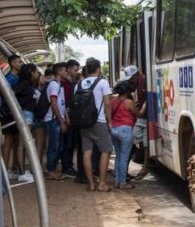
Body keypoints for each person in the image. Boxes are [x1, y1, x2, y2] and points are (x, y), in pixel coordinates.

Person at [76, 58, 113, 192]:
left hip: (83, 123)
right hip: (99, 121)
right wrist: (110, 121)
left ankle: (91, 184)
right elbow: (107, 104)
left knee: (87, 152)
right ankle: (102, 183)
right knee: (106, 150)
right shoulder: (103, 82)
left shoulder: (79, 84)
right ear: (98, 69)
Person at [111, 81, 143, 189]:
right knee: (124, 157)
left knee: (118, 156)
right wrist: (142, 107)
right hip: (125, 130)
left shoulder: (113, 101)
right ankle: (123, 183)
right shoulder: (129, 102)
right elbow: (138, 114)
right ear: (128, 91)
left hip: (114, 130)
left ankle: (117, 181)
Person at [12, 63, 40, 182]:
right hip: (25, 114)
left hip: (28, 115)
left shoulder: (27, 84)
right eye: (36, 72)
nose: (37, 74)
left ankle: (22, 171)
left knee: (23, 144)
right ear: (31, 72)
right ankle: (22, 173)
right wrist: (17, 108)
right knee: (22, 144)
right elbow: (12, 93)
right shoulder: (24, 83)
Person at [123, 65, 149, 180]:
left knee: (147, 143)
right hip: (140, 117)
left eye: (132, 78)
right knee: (133, 140)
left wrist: (142, 109)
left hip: (146, 116)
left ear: (137, 74)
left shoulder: (145, 81)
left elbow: (147, 99)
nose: (131, 80)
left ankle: (145, 168)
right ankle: (124, 169)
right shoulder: (137, 83)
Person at [44, 62, 69, 181]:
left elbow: (61, 104)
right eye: (64, 70)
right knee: (54, 146)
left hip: (57, 119)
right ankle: (51, 170)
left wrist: (65, 118)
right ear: (59, 72)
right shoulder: (54, 85)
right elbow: (54, 104)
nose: (66, 72)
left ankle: (53, 169)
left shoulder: (59, 84)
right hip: (53, 120)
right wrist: (62, 121)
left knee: (58, 146)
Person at [1, 54, 23, 180]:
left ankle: (13, 168)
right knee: (9, 139)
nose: (21, 64)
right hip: (8, 114)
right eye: (19, 62)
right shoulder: (9, 78)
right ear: (13, 64)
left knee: (15, 139)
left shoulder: (16, 78)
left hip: (14, 113)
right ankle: (4, 170)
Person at [60, 59, 80, 177]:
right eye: (75, 70)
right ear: (68, 69)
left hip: (70, 115)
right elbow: (65, 102)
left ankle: (68, 165)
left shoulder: (70, 82)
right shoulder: (65, 83)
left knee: (70, 142)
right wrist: (66, 117)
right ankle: (67, 166)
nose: (76, 72)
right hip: (68, 116)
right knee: (68, 142)